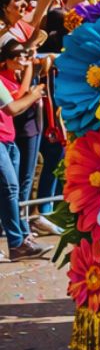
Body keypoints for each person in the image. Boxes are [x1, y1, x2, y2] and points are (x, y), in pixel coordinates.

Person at [0, 38, 46, 260]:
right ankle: (18, 242)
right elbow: (13, 108)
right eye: (16, 56)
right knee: (10, 188)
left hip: (9, 140)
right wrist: (34, 95)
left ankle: (19, 241)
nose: (22, 59)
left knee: (10, 191)